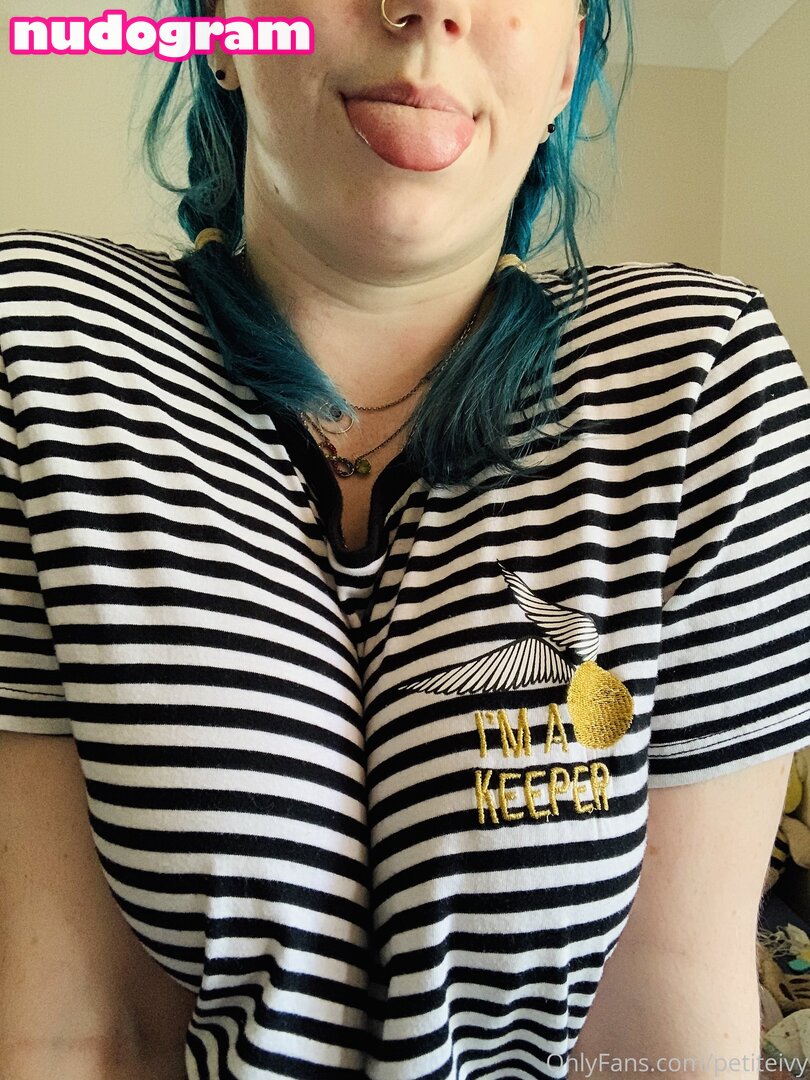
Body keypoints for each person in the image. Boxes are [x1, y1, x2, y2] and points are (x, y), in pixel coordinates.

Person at [1, 1, 809, 1078]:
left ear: (566, 62)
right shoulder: (45, 356)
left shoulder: (702, 385)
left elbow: (663, 1023)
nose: (427, 7)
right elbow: (80, 1023)